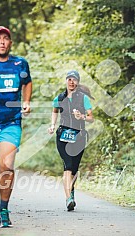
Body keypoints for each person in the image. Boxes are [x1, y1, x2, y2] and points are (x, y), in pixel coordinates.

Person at [0, 26, 32, 232]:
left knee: (7, 166)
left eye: (6, 38)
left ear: (10, 43)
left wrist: (26, 101)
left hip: (10, 123)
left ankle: (3, 209)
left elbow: (27, 82)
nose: (2, 42)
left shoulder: (19, 63)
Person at [48, 70, 94, 211]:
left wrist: (82, 117)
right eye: (69, 79)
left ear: (78, 82)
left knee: (74, 168)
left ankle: (71, 191)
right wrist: (52, 125)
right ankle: (68, 198)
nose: (71, 82)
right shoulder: (60, 97)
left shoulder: (83, 98)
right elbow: (55, 110)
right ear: (66, 81)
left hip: (79, 136)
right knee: (67, 165)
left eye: (74, 79)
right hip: (63, 136)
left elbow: (91, 118)